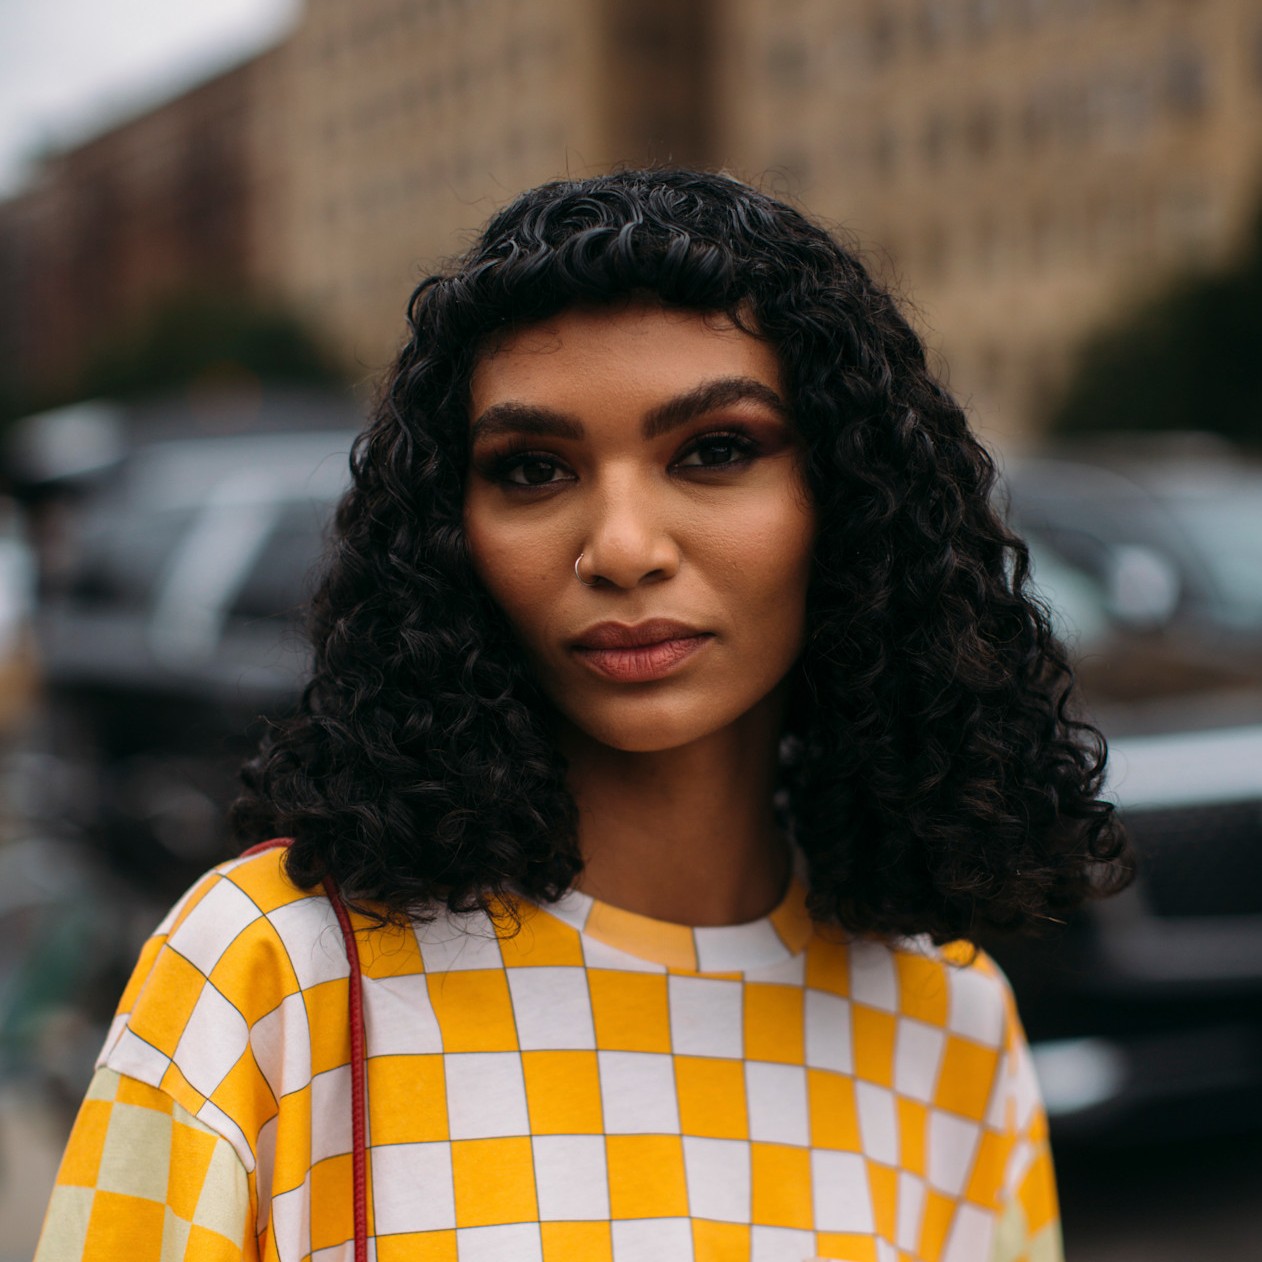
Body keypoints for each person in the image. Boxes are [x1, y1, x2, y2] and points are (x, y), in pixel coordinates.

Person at [36, 169, 1129, 1262]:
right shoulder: (273, 969)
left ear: (846, 497)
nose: (618, 545)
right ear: (451, 530)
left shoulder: (947, 1015)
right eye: (530, 469)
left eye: (713, 449)